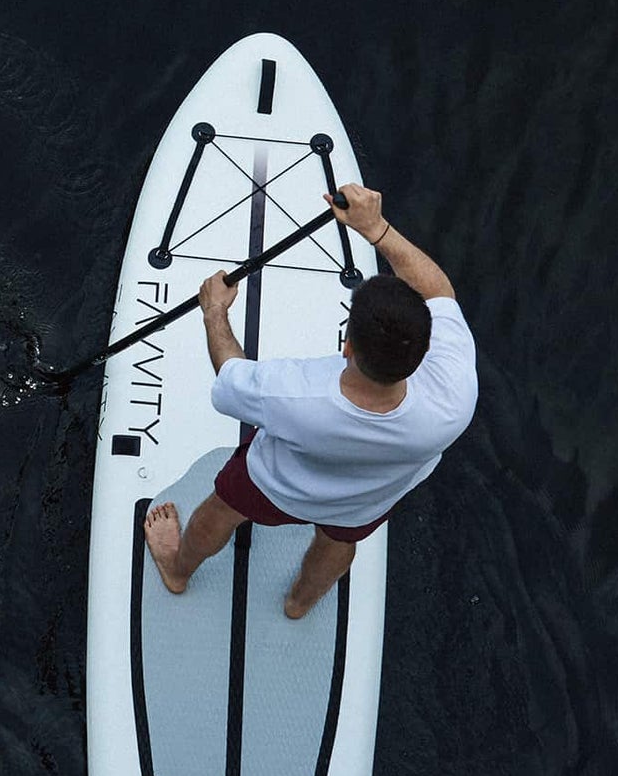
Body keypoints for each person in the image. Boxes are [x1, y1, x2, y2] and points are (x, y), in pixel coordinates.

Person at [145, 184, 477, 619]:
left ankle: (178, 569)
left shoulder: (294, 393)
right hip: (366, 501)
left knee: (219, 510)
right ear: (424, 352)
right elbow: (439, 292)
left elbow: (231, 379)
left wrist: (214, 313)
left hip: (274, 485)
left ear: (348, 347)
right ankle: (299, 602)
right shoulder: (456, 394)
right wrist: (376, 229)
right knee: (341, 540)